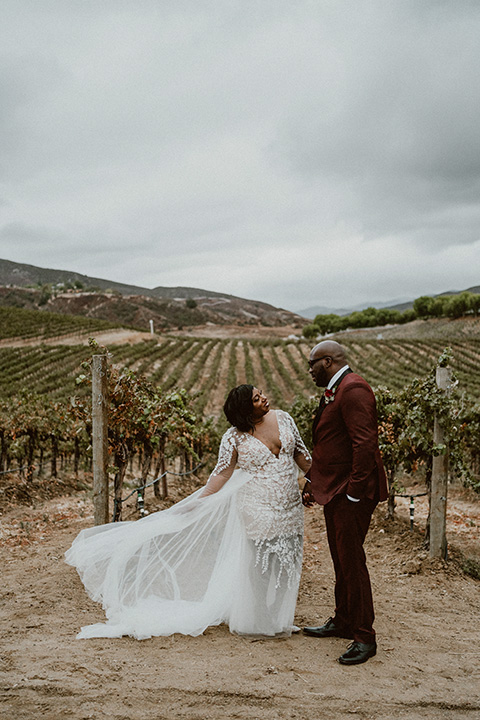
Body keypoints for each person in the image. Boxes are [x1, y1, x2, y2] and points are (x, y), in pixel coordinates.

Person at [66, 384, 311, 639]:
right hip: (256, 506)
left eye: (262, 394)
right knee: (261, 565)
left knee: (286, 561)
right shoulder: (233, 438)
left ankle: (278, 616)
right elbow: (222, 473)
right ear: (245, 411)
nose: (264, 399)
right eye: (257, 399)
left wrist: (315, 481)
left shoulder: (284, 418)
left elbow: (302, 455)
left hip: (289, 505)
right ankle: (261, 619)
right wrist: (198, 502)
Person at [302, 340, 388, 665]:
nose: (309, 371)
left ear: (327, 362)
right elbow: (331, 444)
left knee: (352, 562)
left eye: (311, 364)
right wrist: (313, 479)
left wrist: (352, 492)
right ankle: (343, 621)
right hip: (335, 489)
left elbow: (364, 444)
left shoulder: (353, 390)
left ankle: (365, 637)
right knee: (341, 559)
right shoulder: (337, 390)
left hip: (351, 493)